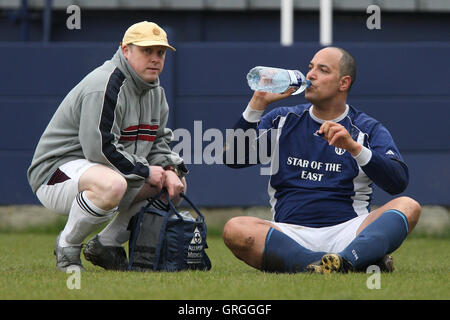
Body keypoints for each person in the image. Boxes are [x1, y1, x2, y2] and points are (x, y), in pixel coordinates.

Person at [222, 47, 421, 274]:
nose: (311, 75)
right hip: (290, 234)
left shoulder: (366, 128)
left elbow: (397, 182)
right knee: (235, 229)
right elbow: (233, 157)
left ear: (343, 83)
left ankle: (344, 258)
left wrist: (354, 148)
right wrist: (257, 103)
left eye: (322, 70)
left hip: (348, 232)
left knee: (409, 206)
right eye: (310, 68)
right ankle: (341, 261)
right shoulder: (284, 119)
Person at [27, 21, 188, 272]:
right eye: (147, 50)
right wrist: (146, 171)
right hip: (56, 174)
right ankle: (68, 246)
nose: (155, 58)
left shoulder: (155, 92)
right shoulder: (106, 83)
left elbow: (158, 142)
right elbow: (99, 149)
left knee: (171, 187)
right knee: (114, 184)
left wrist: (168, 168)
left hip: (105, 171)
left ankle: (105, 246)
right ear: (125, 50)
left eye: (160, 52)